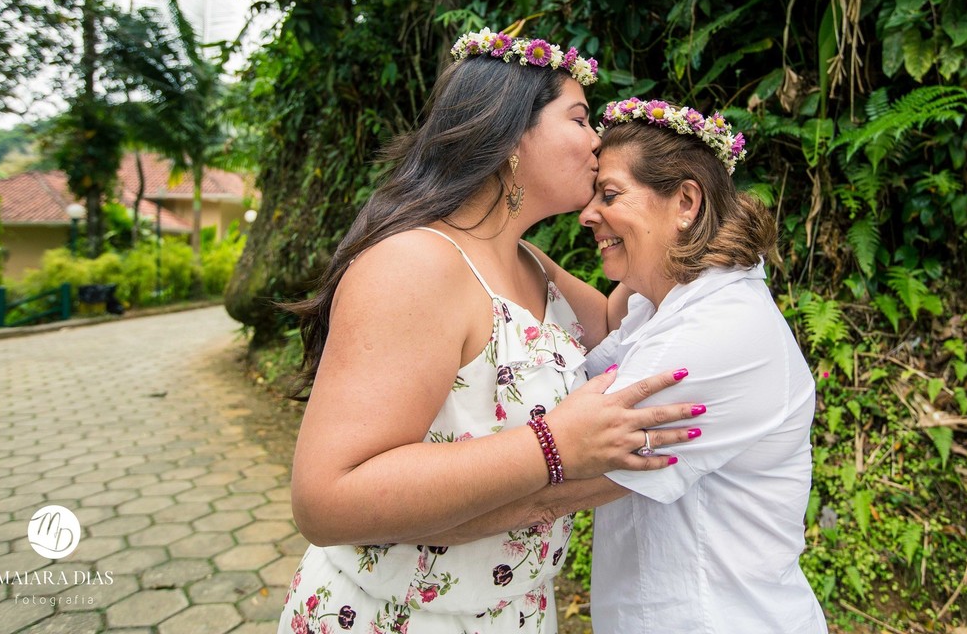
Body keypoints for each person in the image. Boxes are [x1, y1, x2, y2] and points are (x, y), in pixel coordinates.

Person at [277, 31, 703, 634]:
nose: (597, 140)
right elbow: (326, 498)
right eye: (580, 118)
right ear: (509, 136)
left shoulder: (528, 261)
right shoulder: (417, 265)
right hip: (398, 617)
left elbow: (614, 326)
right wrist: (552, 444)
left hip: (516, 609)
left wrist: (666, 218)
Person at [578, 98, 828, 633]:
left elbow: (559, 477)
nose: (587, 214)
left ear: (686, 201)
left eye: (611, 194)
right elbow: (590, 338)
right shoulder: (663, 303)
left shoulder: (713, 333)